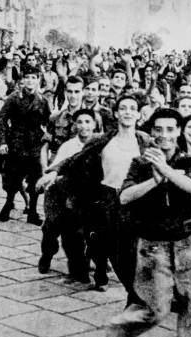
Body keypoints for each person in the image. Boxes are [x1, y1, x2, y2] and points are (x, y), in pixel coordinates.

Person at [103, 108, 191, 337]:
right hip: (153, 248)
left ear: (179, 131)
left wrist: (165, 170)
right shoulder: (140, 163)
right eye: (159, 130)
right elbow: (125, 197)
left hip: (186, 245)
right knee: (154, 310)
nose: (164, 135)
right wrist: (154, 180)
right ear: (152, 132)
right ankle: (117, 334)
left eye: (170, 129)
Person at [56, 95, 152, 296]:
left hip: (133, 198)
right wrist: (53, 172)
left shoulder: (144, 140)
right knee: (100, 240)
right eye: (123, 108)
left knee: (129, 245)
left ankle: (132, 286)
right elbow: (75, 159)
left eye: (132, 108)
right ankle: (101, 271)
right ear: (116, 113)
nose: (127, 112)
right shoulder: (103, 139)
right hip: (105, 196)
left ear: (138, 114)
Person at [37, 109, 97, 283]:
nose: (84, 126)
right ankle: (47, 255)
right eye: (80, 122)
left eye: (88, 121)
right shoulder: (69, 146)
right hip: (61, 192)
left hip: (86, 196)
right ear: (75, 125)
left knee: (81, 232)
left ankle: (80, 269)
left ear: (94, 124)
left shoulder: (100, 144)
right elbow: (56, 169)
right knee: (51, 229)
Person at [0, 66, 51, 225]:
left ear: (38, 80)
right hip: (16, 142)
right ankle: (8, 204)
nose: (30, 81)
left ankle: (32, 212)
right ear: (22, 80)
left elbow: (49, 122)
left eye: (33, 77)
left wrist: (47, 140)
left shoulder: (42, 100)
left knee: (35, 178)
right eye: (27, 77)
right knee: (13, 177)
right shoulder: (14, 98)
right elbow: (1, 119)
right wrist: (2, 141)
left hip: (35, 144)